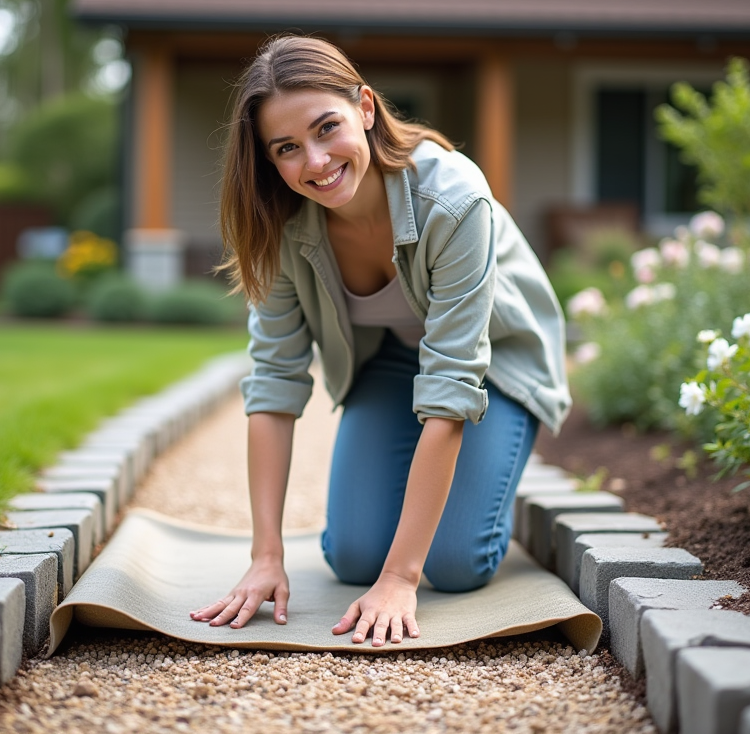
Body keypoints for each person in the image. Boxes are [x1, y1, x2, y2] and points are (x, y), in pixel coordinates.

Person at [189, 36, 571, 647]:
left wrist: (400, 576)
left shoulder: (453, 199)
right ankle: (434, 510)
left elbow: (451, 387)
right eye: (286, 148)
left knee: (451, 566)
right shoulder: (281, 226)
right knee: (353, 554)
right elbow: (274, 384)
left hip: (493, 368)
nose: (314, 162)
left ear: (365, 109)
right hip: (390, 364)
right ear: (268, 161)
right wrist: (266, 555)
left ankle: (483, 491)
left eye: (326, 128)